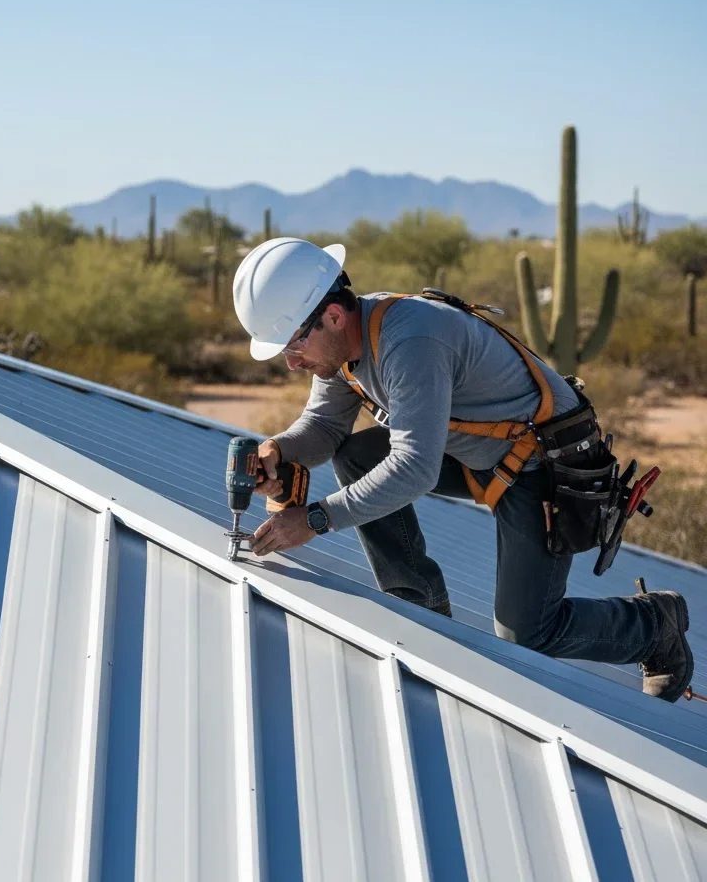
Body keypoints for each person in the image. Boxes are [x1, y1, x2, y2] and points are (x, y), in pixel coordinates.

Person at [232, 236, 694, 701]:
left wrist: (316, 519)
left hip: (544, 465)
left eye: (292, 345)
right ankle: (421, 608)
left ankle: (655, 626)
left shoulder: (409, 340)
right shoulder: (342, 351)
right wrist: (279, 450)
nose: (291, 363)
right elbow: (324, 428)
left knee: (528, 635)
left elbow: (415, 467)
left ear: (333, 316)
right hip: (474, 454)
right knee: (355, 453)